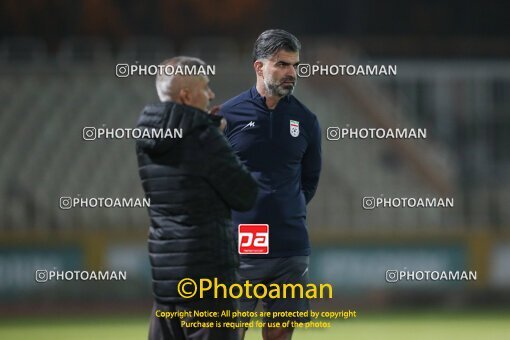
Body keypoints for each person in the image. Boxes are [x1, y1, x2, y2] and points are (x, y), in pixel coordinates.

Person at [135, 56, 258, 340]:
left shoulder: (145, 138)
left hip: (167, 281)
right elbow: (245, 194)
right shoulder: (205, 137)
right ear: (186, 95)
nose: (212, 94)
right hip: (208, 281)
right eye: (206, 87)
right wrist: (219, 139)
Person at [219, 29, 322, 340]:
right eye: (282, 64)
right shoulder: (228, 116)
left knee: (279, 336)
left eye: (295, 66)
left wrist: (286, 210)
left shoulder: (306, 120)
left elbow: (310, 180)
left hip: (290, 247)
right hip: (241, 246)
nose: (291, 73)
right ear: (259, 67)